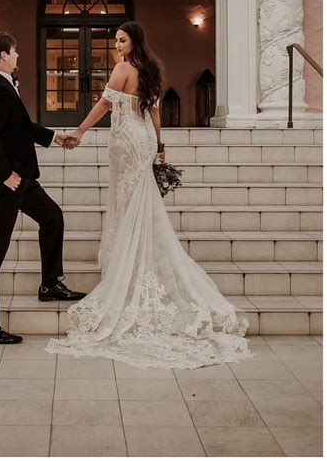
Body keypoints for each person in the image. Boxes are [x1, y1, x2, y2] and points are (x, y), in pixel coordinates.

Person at [46, 21, 253, 369]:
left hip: (126, 142)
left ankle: (128, 268)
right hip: (142, 140)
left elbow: (104, 105)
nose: (116, 45)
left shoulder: (123, 68)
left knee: (127, 203)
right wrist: (158, 146)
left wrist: (78, 132)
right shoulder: (151, 70)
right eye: (115, 41)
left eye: (121, 40)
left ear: (134, 41)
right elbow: (155, 112)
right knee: (138, 202)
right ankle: (137, 258)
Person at [0, 31, 85, 345]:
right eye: (15, 51)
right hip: (8, 181)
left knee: (52, 218)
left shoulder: (4, 86)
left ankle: (50, 284)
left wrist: (54, 137)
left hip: (22, 177)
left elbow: (19, 128)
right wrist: (5, 175)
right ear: (4, 55)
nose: (18, 56)